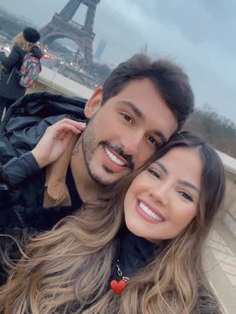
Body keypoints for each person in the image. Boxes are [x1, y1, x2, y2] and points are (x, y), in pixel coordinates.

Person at [0, 132, 235, 314]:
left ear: (197, 218)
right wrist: (31, 161)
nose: (159, 193)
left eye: (184, 194)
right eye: (155, 173)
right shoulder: (73, 227)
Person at [0, 54, 194, 220]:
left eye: (152, 140)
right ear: (94, 103)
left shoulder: (136, 220)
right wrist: (25, 166)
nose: (131, 146)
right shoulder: (11, 158)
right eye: (127, 117)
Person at [0, 27, 42, 120]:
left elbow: (7, 64)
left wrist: (2, 54)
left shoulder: (18, 50)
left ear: (23, 36)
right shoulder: (35, 54)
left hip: (6, 87)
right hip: (20, 90)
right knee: (9, 118)